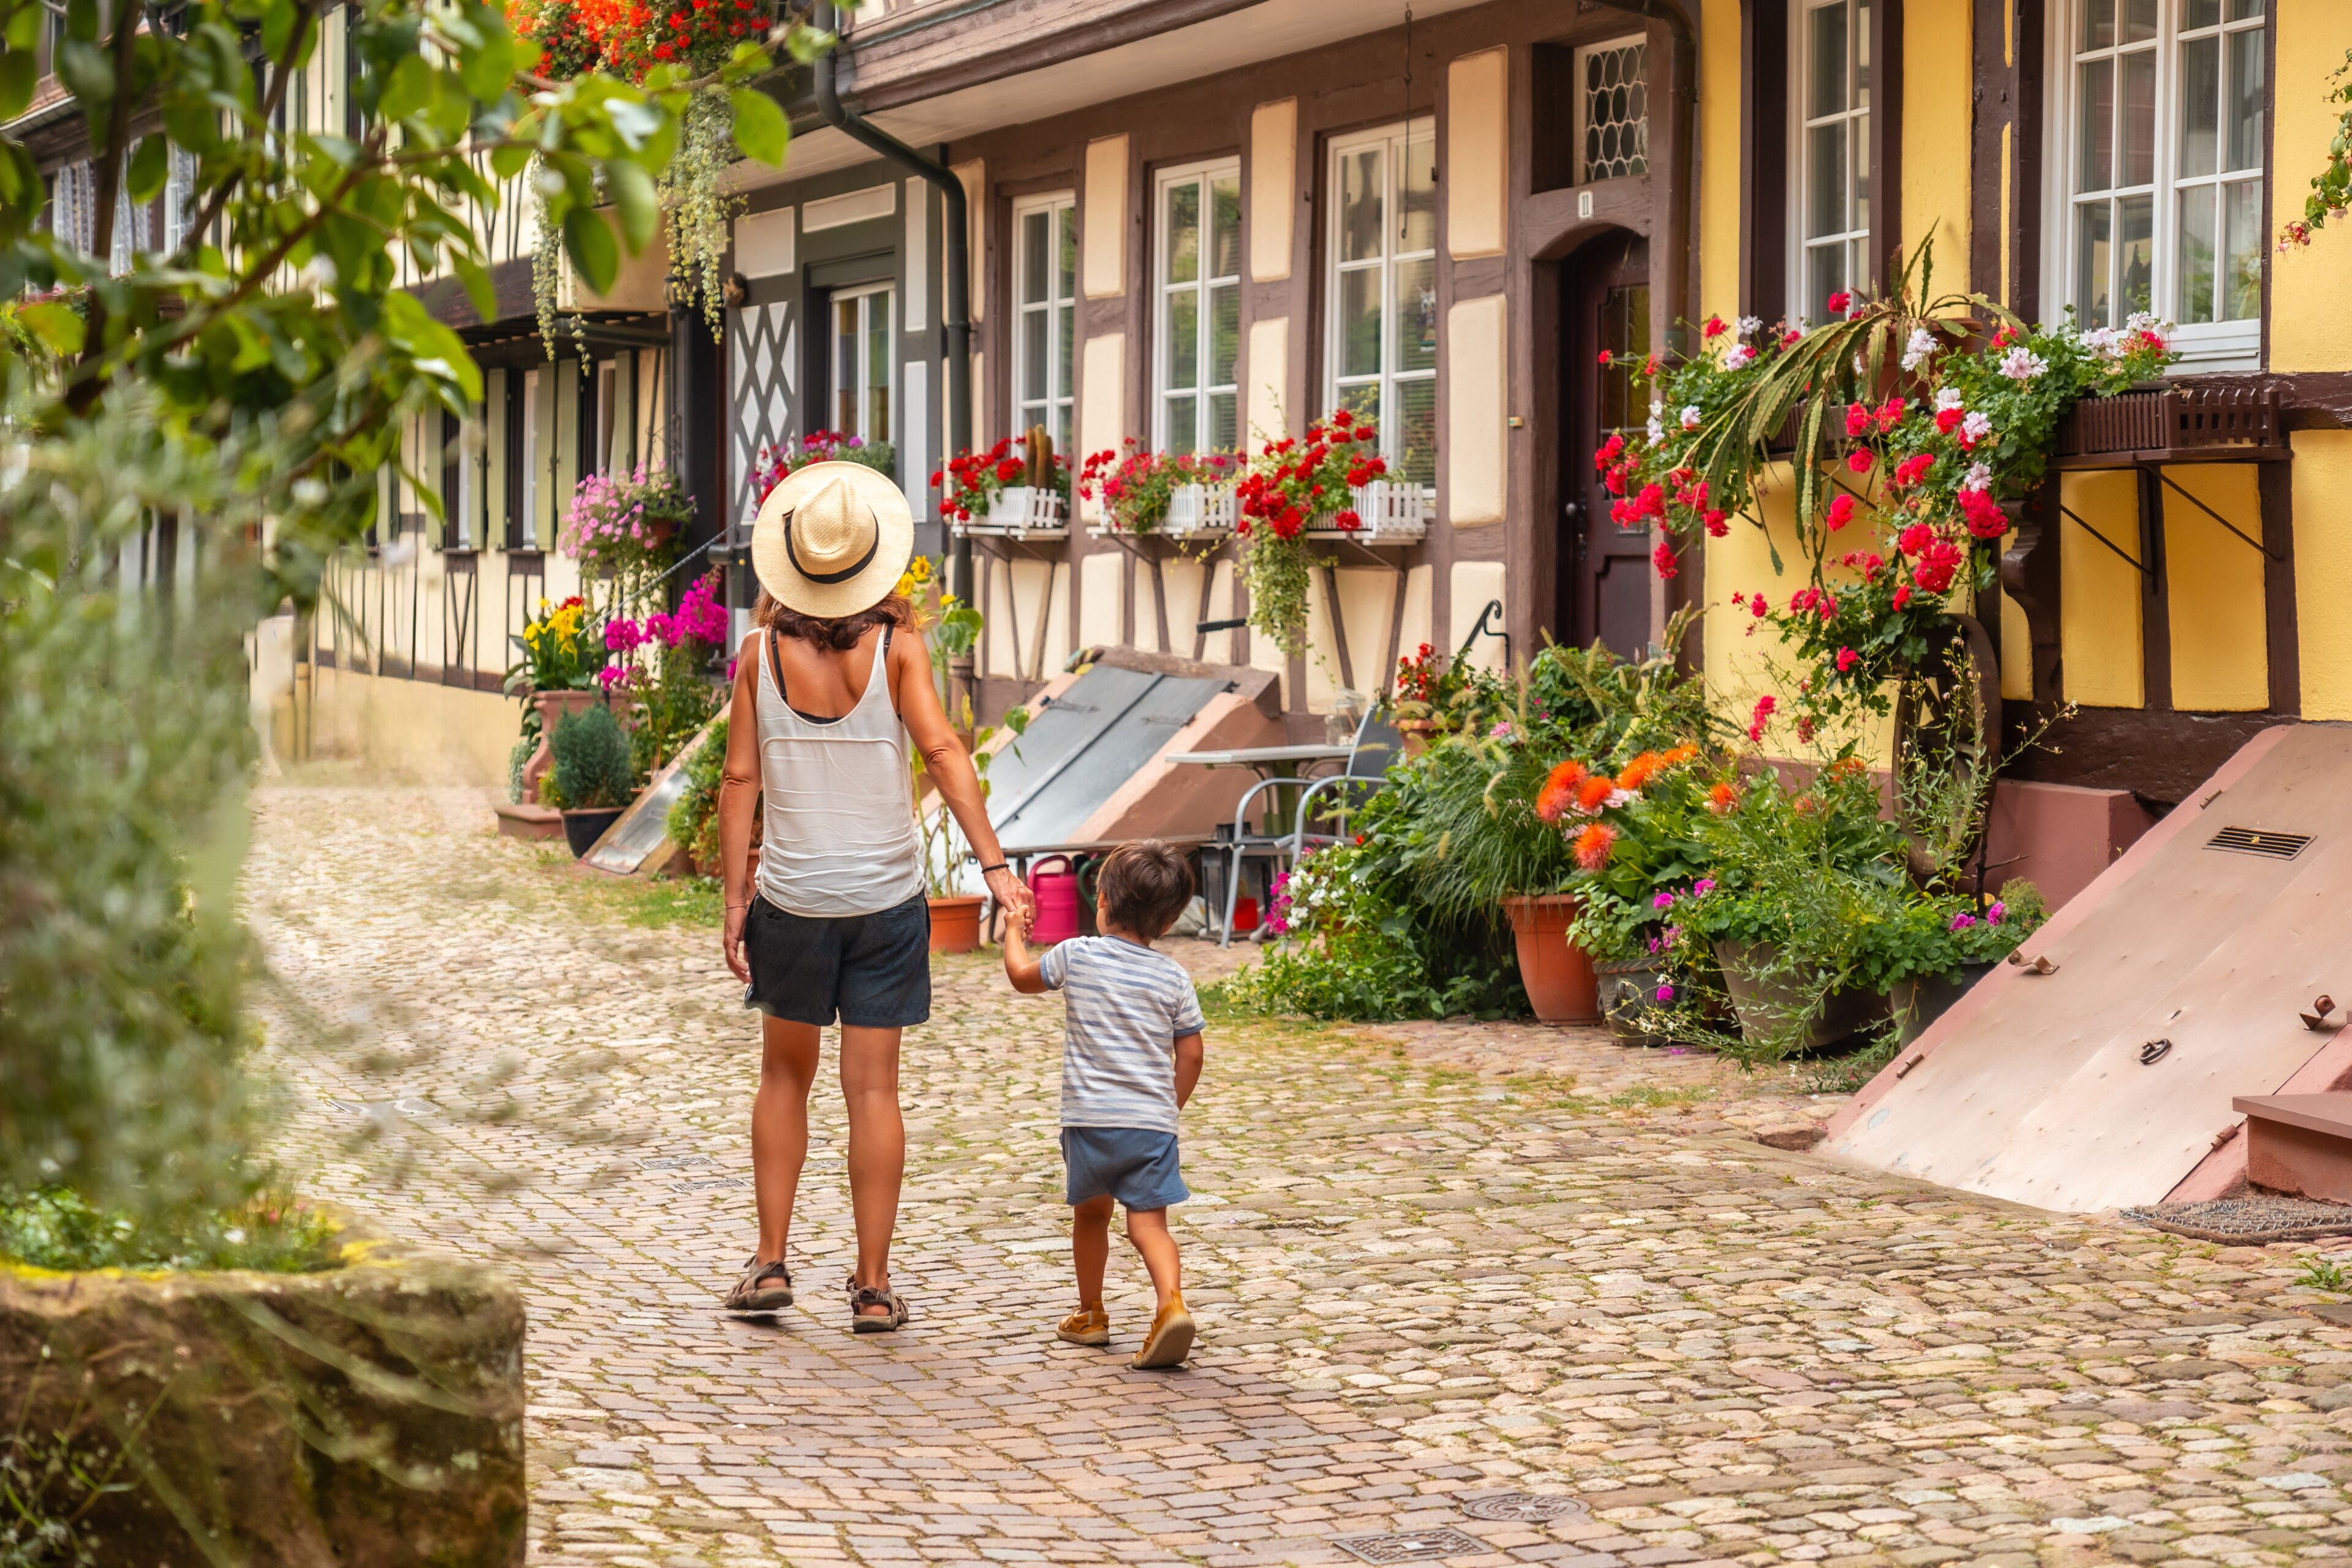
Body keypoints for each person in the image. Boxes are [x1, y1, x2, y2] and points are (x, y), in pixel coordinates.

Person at [715, 459, 1033, 1331]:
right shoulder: (900, 649)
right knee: (875, 1093)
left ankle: (772, 1263)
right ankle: (874, 1286)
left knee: (785, 1077)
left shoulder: (756, 657)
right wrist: (996, 868)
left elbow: (740, 780)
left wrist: (736, 901)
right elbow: (943, 754)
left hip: (794, 897)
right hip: (887, 898)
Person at [1000, 839, 1206, 1370]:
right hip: (1150, 1127)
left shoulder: (1077, 953)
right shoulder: (1174, 979)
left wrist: (1011, 935)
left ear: (1104, 903)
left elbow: (1023, 979)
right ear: (1167, 921)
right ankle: (1171, 1305)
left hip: (1089, 1121)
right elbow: (1193, 1051)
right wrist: (1169, 1107)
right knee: (1149, 1226)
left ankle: (1091, 1313)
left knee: (1091, 1216)